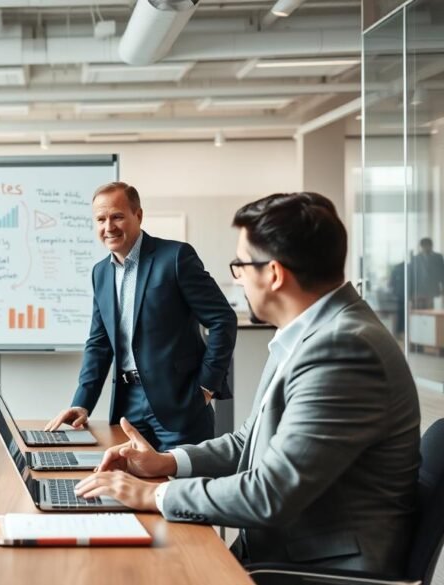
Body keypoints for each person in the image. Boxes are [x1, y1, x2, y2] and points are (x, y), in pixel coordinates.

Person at [74, 192, 421, 574]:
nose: (237, 280)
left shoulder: (343, 349)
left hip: (314, 569)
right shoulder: (307, 334)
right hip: (281, 549)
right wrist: (166, 462)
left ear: (273, 274)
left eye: (240, 265)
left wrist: (155, 493)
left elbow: (268, 492)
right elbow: (248, 442)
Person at [45, 181, 237, 450]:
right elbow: (99, 344)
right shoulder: (101, 273)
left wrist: (206, 387)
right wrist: (82, 403)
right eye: (100, 219)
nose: (108, 227)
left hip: (180, 404)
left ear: (138, 215)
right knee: (133, 488)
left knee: (180, 488)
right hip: (127, 407)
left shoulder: (175, 257)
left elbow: (223, 319)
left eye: (117, 216)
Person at [412, 237, 444, 309]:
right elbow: (413, 275)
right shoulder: (416, 258)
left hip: (433, 287)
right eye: (424, 246)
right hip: (419, 288)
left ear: (431, 246)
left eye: (428, 245)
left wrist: (442, 287)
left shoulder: (438, 257)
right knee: (420, 308)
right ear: (421, 246)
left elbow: (442, 273)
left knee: (433, 307)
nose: (426, 248)